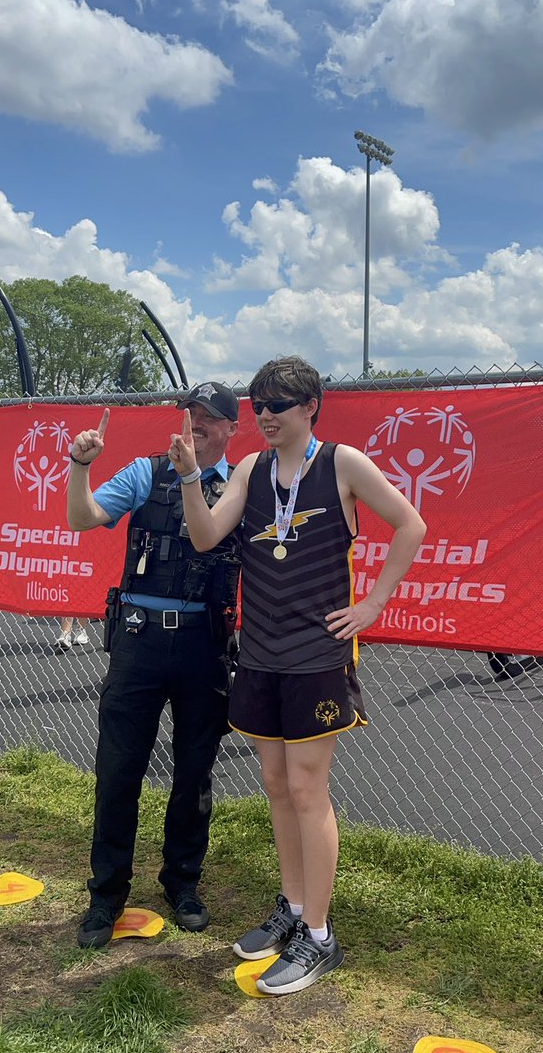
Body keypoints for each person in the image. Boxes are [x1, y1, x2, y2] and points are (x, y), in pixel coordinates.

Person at [169, 356, 426, 995]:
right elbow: (205, 537)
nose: (266, 416)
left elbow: (410, 526)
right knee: (277, 784)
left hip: (317, 652)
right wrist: (189, 478)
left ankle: (318, 935)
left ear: (311, 406)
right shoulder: (252, 469)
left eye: (278, 405)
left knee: (309, 788)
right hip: (259, 651)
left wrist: (371, 606)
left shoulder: (343, 463)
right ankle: (290, 903)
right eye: (259, 406)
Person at [67, 382, 241, 948]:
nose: (195, 425)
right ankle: (106, 895)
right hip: (139, 644)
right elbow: (82, 517)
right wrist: (79, 466)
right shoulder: (146, 473)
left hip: (204, 645)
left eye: (208, 418)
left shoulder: (242, 486)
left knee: (194, 775)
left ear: (230, 429)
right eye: (189, 414)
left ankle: (182, 883)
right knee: (118, 771)